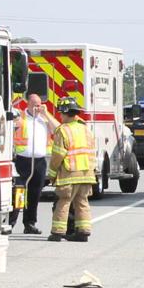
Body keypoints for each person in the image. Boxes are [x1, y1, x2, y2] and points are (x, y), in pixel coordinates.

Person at [46, 98, 97, 242]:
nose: (60, 117)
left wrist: (52, 172)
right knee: (82, 202)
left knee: (64, 201)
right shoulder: (85, 129)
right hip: (87, 172)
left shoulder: (63, 130)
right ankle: (83, 231)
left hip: (69, 173)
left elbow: (58, 155)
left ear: (66, 113)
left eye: (61, 114)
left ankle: (57, 232)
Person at [8, 93, 58, 235]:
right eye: (35, 104)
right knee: (19, 193)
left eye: (39, 104)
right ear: (28, 104)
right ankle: (11, 223)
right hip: (23, 160)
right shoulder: (21, 119)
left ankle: (30, 223)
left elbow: (57, 130)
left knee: (35, 194)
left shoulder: (44, 120)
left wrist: (46, 114)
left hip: (39, 161)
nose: (38, 107)